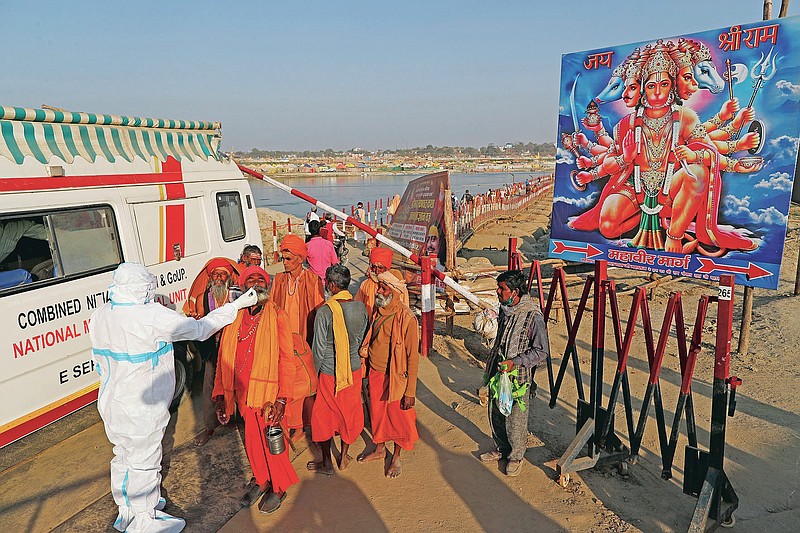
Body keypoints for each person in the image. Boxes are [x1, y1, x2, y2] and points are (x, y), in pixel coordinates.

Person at [90, 262, 257, 533]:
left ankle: (129, 511)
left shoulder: (102, 314)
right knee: (144, 461)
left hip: (112, 399)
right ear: (141, 288)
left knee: (123, 456)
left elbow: (98, 359)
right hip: (141, 404)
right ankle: (143, 521)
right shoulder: (150, 315)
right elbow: (201, 329)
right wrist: (234, 307)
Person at [213, 265, 298, 514]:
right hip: (241, 392)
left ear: (267, 286)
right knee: (251, 442)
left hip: (268, 395)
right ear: (243, 286)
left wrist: (283, 399)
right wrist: (221, 395)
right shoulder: (235, 315)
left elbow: (286, 359)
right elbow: (222, 357)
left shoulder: (278, 315)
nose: (256, 284)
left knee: (272, 441)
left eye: (261, 280)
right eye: (251, 281)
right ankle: (261, 480)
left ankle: (279, 487)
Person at [479, 270, 549, 477]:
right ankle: (501, 449)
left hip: (518, 377)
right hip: (498, 372)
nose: (498, 292)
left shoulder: (532, 316)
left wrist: (515, 362)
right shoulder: (505, 309)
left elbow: (542, 351)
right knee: (496, 412)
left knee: (515, 418)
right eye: (498, 288)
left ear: (515, 291)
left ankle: (516, 456)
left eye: (502, 289)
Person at [307, 264, 369, 476]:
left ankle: (327, 462)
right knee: (348, 414)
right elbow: (360, 339)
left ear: (331, 285)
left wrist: (312, 377)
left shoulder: (325, 312)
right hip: (353, 371)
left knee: (322, 416)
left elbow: (319, 348)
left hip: (328, 373)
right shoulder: (361, 308)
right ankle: (344, 457)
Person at [357, 270, 419, 478]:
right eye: (380, 287)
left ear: (395, 291)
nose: (379, 291)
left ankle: (396, 457)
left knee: (398, 418)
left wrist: (410, 391)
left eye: (384, 288)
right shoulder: (379, 309)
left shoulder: (407, 318)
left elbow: (413, 358)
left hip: (396, 378)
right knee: (377, 414)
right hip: (375, 372)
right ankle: (380, 449)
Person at [270, 234, 325, 440]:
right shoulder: (279, 280)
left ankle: (303, 425)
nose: (284, 263)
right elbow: (272, 307)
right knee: (286, 383)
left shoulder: (312, 280)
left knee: (305, 385)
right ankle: (293, 424)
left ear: (300, 259)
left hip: (304, 339)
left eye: (288, 259)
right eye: (283, 258)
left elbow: (319, 311)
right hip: (283, 341)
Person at [185, 258, 239, 447]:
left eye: (222, 274)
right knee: (209, 389)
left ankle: (232, 418)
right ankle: (209, 427)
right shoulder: (202, 298)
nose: (218, 277)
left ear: (228, 277)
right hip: (212, 351)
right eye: (215, 274)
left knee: (234, 387)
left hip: (233, 348)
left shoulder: (235, 296)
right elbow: (201, 324)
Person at [354, 247, 409, 317]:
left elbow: (404, 310)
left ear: (387, 268)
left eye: (380, 267)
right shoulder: (366, 284)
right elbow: (357, 306)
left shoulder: (396, 285)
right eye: (374, 267)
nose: (376, 271)